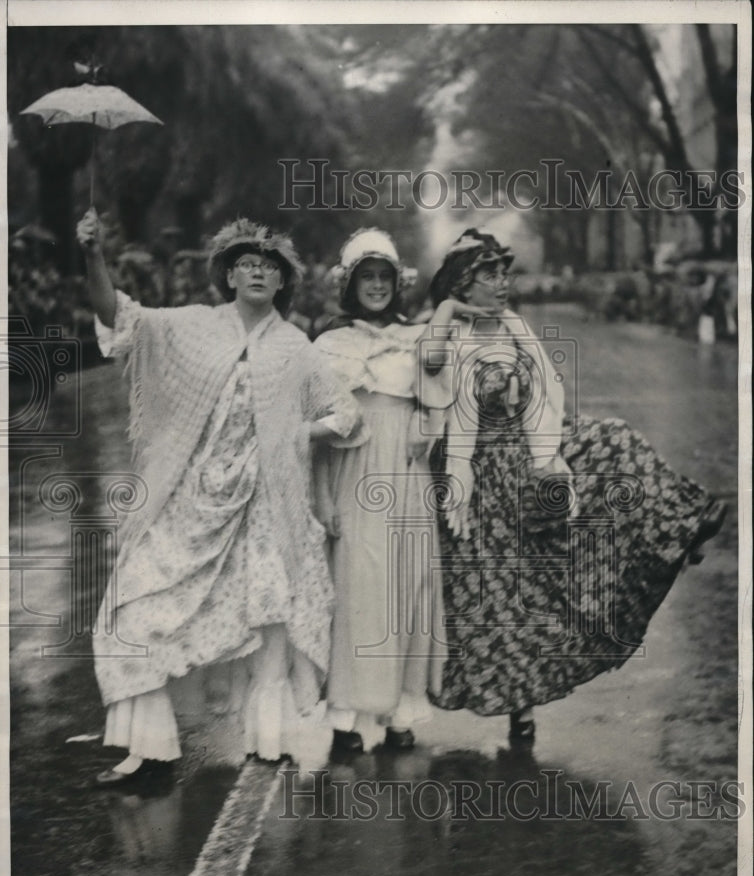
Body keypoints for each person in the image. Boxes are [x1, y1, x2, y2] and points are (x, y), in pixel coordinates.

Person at [76, 209, 359, 784]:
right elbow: (120, 317)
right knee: (134, 608)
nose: (257, 273)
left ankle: (270, 741)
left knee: (270, 622)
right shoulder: (193, 326)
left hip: (265, 508)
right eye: (245, 265)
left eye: (268, 267)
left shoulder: (294, 348)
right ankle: (149, 751)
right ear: (228, 276)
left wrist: (294, 436)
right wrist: (92, 255)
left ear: (283, 282)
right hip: (188, 500)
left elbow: (344, 413)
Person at [427, 228, 727, 741]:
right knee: (506, 597)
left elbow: (550, 391)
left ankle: (679, 526)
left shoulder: (516, 327)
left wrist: (549, 454)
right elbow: (429, 364)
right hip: (477, 479)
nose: (503, 283)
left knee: (615, 439)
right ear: (463, 283)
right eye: (490, 274)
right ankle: (518, 706)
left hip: (529, 457)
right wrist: (447, 313)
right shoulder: (450, 336)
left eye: (504, 272)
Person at [313, 229, 487, 754]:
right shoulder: (327, 343)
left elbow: (438, 394)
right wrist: (320, 496)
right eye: (366, 277)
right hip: (351, 466)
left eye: (384, 278)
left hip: (407, 473)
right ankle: (344, 715)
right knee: (355, 584)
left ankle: (397, 712)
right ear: (350, 284)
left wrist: (424, 424)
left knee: (404, 584)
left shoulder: (416, 339)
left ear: (397, 284)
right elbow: (314, 427)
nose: (376, 287)